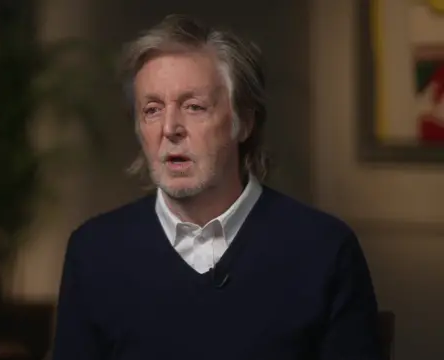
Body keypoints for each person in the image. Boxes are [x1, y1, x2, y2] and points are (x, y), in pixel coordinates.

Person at [52, 14, 382, 360]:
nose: (170, 128)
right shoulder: (95, 252)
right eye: (152, 110)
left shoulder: (324, 250)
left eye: (193, 107)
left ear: (244, 122)